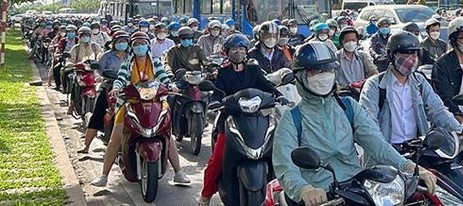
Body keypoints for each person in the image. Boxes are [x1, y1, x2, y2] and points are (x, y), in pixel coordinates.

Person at [271, 41, 436, 206]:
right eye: (315, 72)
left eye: (328, 70)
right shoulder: (292, 119)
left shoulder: (348, 106)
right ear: (300, 77)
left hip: (356, 190)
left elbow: (376, 143)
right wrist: (304, 190)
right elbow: (285, 166)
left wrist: (409, 166)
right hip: (319, 197)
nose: (324, 76)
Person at [91, 32, 189, 187]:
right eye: (136, 45)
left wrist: (172, 86)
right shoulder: (127, 64)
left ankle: (178, 172)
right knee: (115, 139)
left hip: (156, 103)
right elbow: (120, 78)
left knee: (167, 136)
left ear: (147, 46)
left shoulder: (155, 61)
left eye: (142, 44)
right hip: (131, 103)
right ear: (132, 47)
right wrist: (117, 88)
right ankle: (104, 176)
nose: (139, 47)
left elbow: (164, 77)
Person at [198, 33, 278, 205]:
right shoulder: (222, 73)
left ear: (246, 51)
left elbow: (267, 86)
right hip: (230, 120)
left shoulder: (254, 70)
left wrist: (279, 96)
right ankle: (205, 197)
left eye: (241, 49)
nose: (238, 52)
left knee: (279, 150)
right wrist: (215, 102)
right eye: (234, 49)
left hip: (257, 119)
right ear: (227, 52)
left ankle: (280, 191)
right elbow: (217, 94)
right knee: (217, 159)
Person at [360, 31, 461, 145]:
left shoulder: (420, 82)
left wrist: (459, 130)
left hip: (416, 148)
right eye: (405, 55)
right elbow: (368, 122)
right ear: (391, 55)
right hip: (387, 152)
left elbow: (438, 110)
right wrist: (383, 150)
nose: (410, 59)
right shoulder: (375, 85)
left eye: (414, 55)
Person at [78, 31, 130, 155]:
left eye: (125, 41)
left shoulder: (132, 56)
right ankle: (86, 146)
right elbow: (98, 71)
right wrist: (99, 77)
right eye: (119, 41)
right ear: (114, 43)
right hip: (108, 87)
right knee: (97, 114)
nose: (122, 44)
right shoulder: (107, 56)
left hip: (128, 89)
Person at [65, 26, 102, 115]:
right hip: (80, 71)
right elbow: (70, 59)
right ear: (79, 36)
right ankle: (72, 105)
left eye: (87, 35)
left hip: (94, 71)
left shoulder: (95, 46)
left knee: (100, 86)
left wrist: (99, 61)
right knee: (75, 84)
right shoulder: (76, 48)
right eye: (83, 35)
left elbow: (100, 55)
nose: (85, 37)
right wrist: (70, 64)